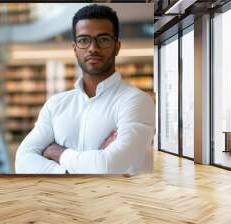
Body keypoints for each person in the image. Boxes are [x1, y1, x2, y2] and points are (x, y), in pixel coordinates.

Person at [15, 4, 155, 174]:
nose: (93, 48)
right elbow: (23, 160)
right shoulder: (56, 104)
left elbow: (108, 166)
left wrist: (57, 153)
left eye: (103, 39)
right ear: (75, 48)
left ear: (117, 47)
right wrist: (67, 172)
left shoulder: (136, 101)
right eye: (84, 40)